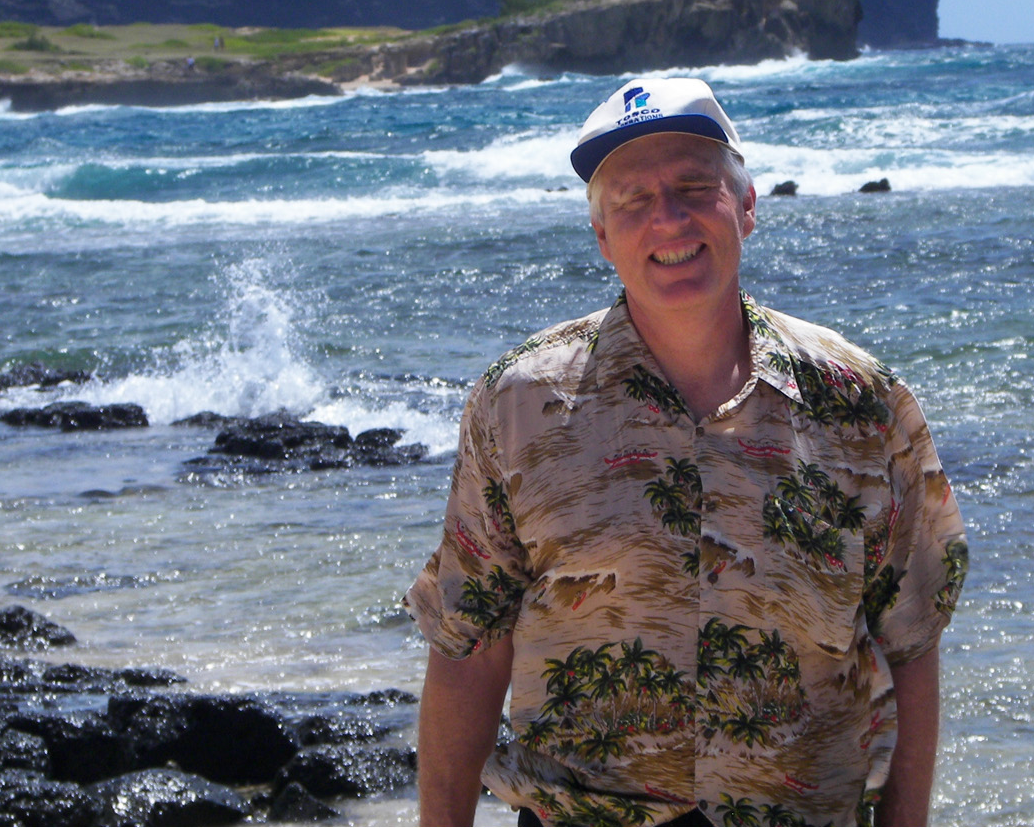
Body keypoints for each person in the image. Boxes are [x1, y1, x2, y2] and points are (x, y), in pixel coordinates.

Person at [405, 77, 967, 827]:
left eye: (694, 187)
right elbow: (469, 648)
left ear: (747, 206)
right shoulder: (519, 406)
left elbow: (912, 639)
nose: (667, 218)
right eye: (632, 199)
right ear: (603, 237)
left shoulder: (860, 401)